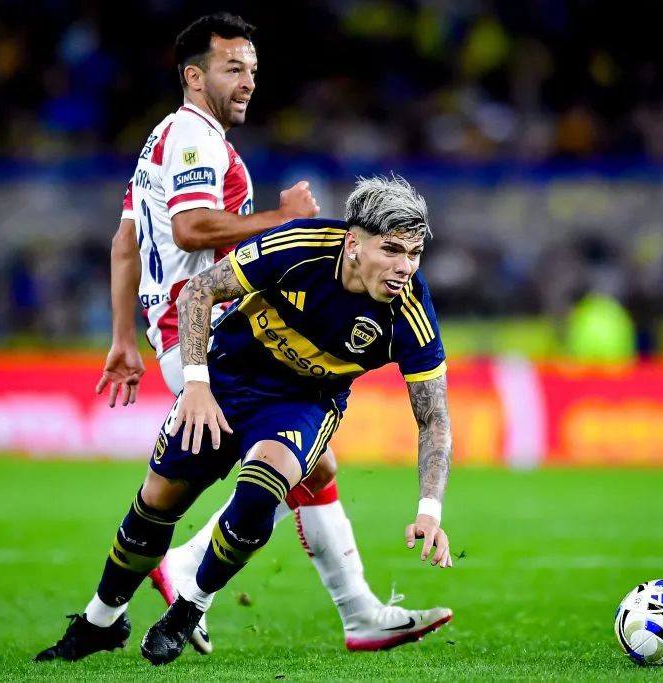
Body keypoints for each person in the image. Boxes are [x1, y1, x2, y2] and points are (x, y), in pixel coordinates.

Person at [53, 11, 449, 659]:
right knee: (276, 468)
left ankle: (353, 611)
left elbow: (127, 240)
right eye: (233, 68)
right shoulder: (196, 139)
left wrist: (124, 336)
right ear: (193, 74)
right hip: (205, 336)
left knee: (309, 463)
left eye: (254, 71)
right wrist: (281, 219)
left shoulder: (157, 141)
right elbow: (188, 231)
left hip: (175, 331)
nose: (247, 82)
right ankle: (192, 574)